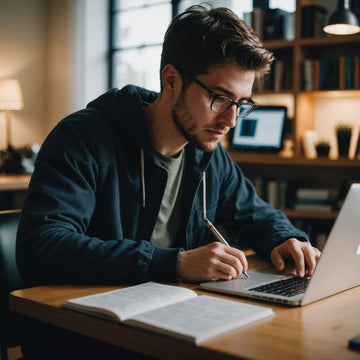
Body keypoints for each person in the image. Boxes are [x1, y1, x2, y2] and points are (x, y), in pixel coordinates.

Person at [16, 5, 321, 359]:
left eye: (242, 104)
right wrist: (174, 263)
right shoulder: (83, 138)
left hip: (170, 327)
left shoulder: (207, 152)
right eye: (220, 98)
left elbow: (255, 214)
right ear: (171, 80)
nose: (231, 120)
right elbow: (43, 246)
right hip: (83, 338)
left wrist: (285, 238)